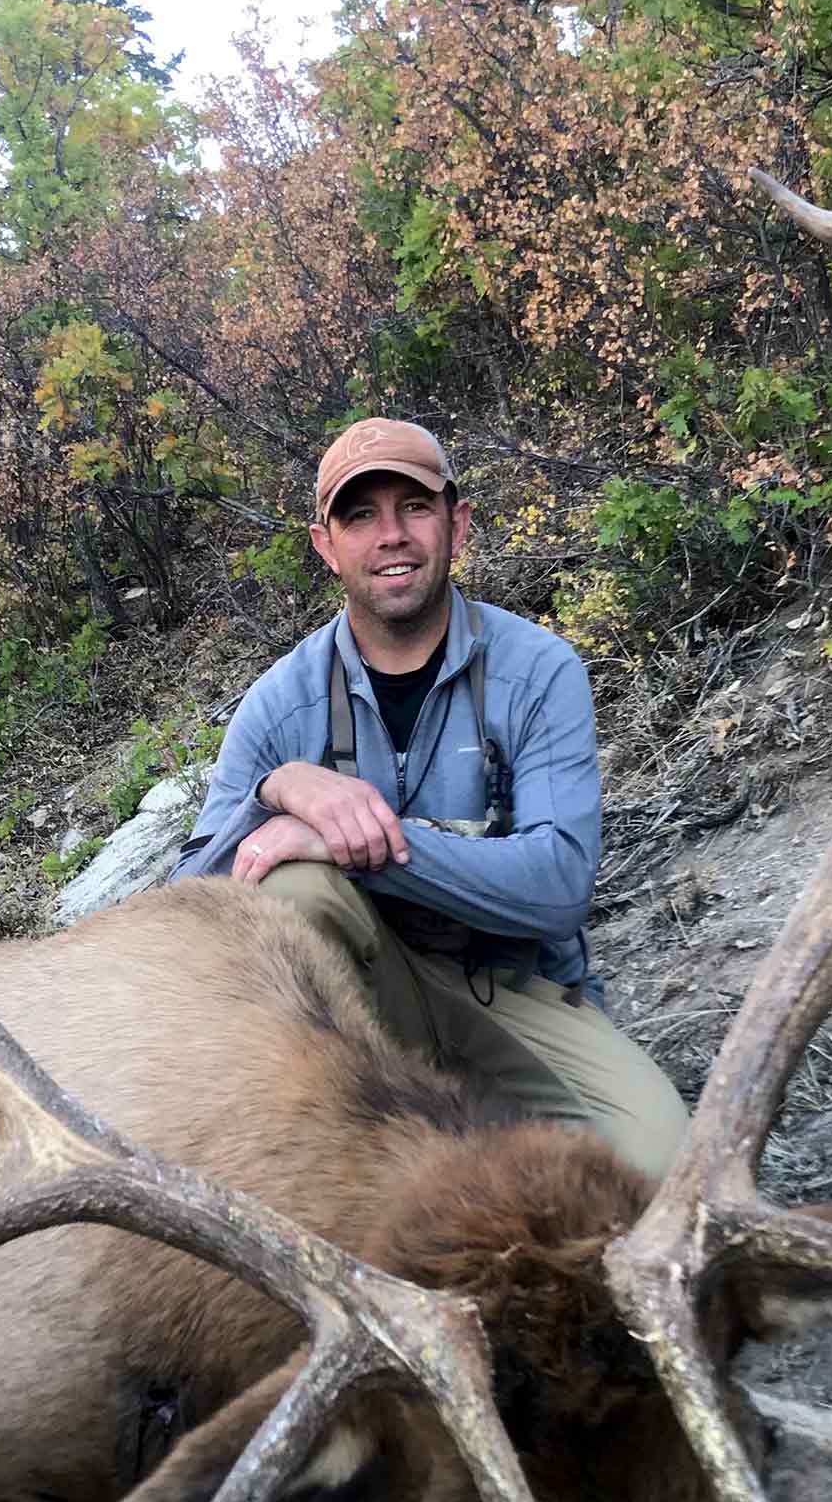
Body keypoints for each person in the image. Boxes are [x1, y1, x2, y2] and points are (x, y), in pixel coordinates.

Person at [172, 418, 688, 1179]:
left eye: (413, 506)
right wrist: (274, 791)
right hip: (352, 1017)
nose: (392, 535)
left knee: (663, 1167)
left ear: (457, 522)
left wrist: (363, 847)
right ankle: (345, 1128)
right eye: (360, 516)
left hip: (513, 993)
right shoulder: (279, 705)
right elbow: (190, 901)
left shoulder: (538, 671)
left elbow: (559, 886)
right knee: (291, 885)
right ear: (326, 546)